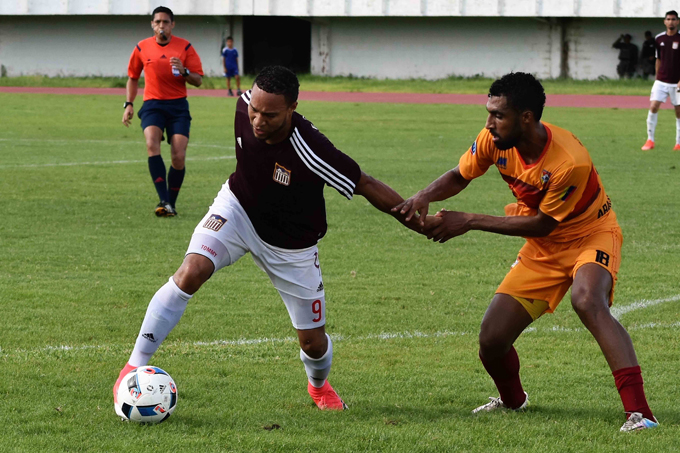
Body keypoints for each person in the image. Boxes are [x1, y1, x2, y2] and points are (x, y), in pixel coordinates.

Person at [113, 65, 432, 415]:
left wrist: (416, 223)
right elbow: (251, 115)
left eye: (270, 115)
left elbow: (367, 184)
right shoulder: (244, 105)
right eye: (254, 110)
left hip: (291, 245)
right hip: (237, 209)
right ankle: (132, 367)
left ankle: (319, 386)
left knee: (312, 343)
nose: (257, 121)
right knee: (191, 271)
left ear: (292, 109)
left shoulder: (312, 148)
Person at [394, 72, 658, 433]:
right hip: (544, 249)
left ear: (527, 118)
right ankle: (513, 401)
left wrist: (469, 220)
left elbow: (542, 224)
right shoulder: (494, 140)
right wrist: (424, 196)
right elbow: (460, 174)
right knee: (492, 338)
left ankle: (641, 415)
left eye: (498, 115)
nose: (488, 123)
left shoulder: (569, 161)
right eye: (488, 112)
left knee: (587, 301)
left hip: (590, 235)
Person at [122, 6, 204, 217]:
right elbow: (132, 77)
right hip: (152, 105)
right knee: (151, 142)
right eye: (157, 22)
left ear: (172, 24)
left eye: (165, 22)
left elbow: (198, 80)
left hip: (178, 106)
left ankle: (171, 204)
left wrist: (184, 71)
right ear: (152, 24)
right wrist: (129, 104)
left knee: (178, 155)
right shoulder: (142, 48)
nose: (161, 26)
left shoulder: (185, 47)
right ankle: (164, 200)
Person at [641, 10, 680, 151]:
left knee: (678, 111)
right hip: (661, 81)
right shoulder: (659, 39)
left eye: (673, 19)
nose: (671, 21)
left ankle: (678, 143)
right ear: (664, 21)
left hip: (677, 83)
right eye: (668, 19)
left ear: (678, 21)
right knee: (653, 107)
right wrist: (658, 77)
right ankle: (650, 140)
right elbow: (658, 58)